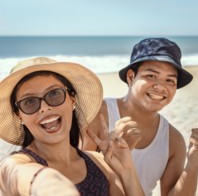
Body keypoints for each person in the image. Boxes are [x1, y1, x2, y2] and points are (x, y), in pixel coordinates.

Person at [0, 57, 144, 196]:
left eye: (54, 94)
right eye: (29, 102)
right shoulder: (14, 165)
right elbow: (19, 175)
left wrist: (127, 171)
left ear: (72, 100)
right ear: (19, 116)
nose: (44, 107)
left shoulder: (99, 162)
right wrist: (48, 183)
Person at [82, 37, 198, 196]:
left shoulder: (173, 140)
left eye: (170, 80)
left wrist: (193, 161)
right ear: (131, 77)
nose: (160, 87)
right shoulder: (100, 114)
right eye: (151, 76)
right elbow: (76, 180)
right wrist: (108, 159)